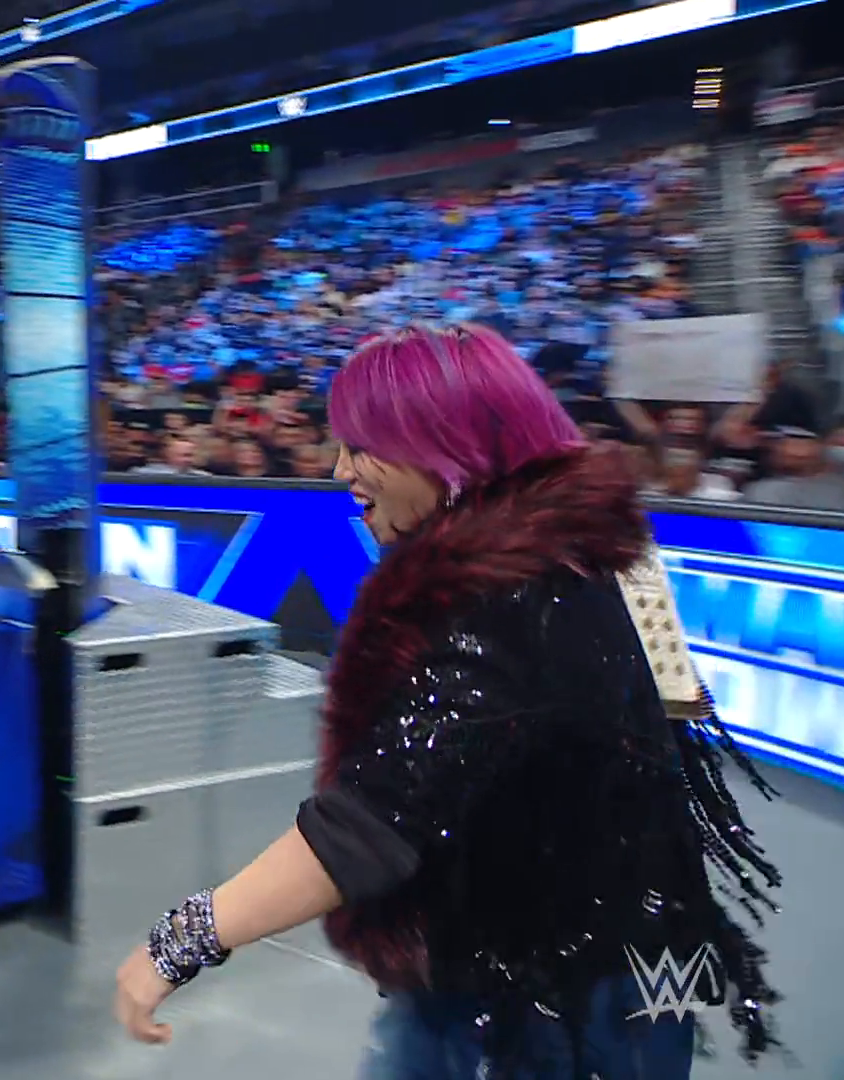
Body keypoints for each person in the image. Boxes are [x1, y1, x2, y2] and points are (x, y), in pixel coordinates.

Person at [111, 324, 782, 1079]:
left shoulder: (497, 600)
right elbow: (664, 728)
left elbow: (371, 822)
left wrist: (176, 943)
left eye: (361, 447)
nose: (339, 470)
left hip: (542, 1006)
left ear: (443, 447)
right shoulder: (599, 551)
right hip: (605, 969)